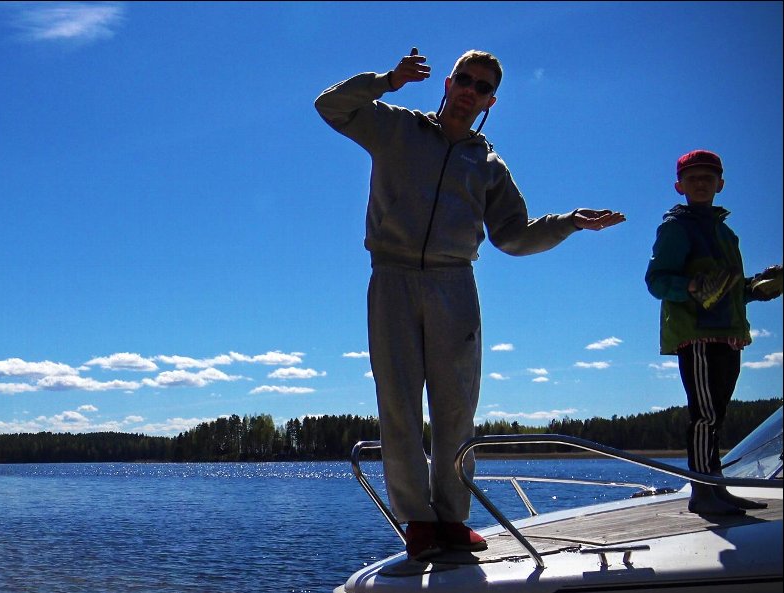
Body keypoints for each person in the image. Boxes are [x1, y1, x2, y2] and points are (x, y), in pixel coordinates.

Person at [314, 48, 626, 559]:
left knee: (456, 407)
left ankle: (453, 518)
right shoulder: (395, 128)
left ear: (490, 101)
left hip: (454, 284)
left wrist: (568, 223)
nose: (470, 90)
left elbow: (515, 236)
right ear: (448, 83)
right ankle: (419, 520)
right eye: (464, 79)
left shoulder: (487, 165)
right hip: (390, 278)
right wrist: (388, 80)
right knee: (398, 405)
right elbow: (330, 106)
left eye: (482, 87)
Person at [645, 149, 781, 516]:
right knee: (705, 414)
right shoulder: (676, 228)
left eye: (708, 178)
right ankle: (703, 492)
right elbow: (656, 281)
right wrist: (691, 287)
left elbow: (726, 289)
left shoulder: (724, 232)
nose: (701, 184)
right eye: (693, 179)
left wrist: (757, 289)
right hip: (698, 335)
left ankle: (717, 488)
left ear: (721, 184)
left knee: (716, 414)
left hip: (728, 334)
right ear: (679, 186)